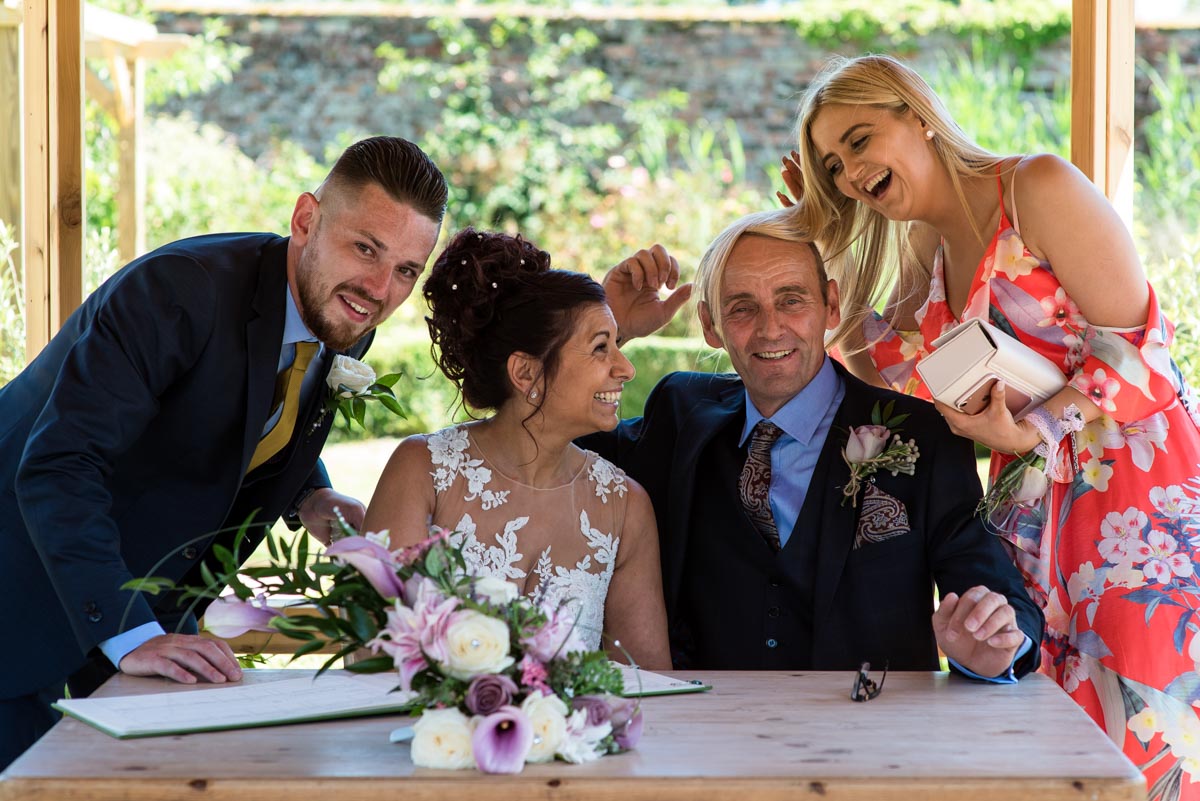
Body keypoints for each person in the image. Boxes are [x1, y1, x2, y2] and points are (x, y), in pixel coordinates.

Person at [782, 53, 1200, 793]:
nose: (848, 173)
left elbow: (1141, 349)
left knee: (1150, 730)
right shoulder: (923, 247)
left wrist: (1036, 431)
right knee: (1060, 731)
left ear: (915, 113)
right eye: (831, 168)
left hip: (1132, 486)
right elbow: (875, 366)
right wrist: (823, 232)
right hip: (1030, 507)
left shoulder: (1035, 185)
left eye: (857, 141)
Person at [0, 136, 448, 769]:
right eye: (365, 248)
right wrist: (129, 633)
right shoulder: (182, 292)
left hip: (152, 601)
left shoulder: (342, 315)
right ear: (305, 221)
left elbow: (245, 413)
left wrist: (310, 496)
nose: (380, 288)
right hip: (19, 581)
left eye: (406, 270)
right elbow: (58, 465)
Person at [584, 207, 1043, 680]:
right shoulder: (680, 415)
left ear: (831, 305)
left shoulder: (922, 435)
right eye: (742, 307)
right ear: (710, 324)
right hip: (712, 737)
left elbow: (991, 586)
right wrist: (609, 324)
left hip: (872, 736)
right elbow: (555, 445)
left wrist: (996, 645)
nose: (769, 328)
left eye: (791, 300)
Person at [362, 228, 671, 670]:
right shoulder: (422, 472)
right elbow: (372, 657)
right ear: (526, 373)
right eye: (602, 348)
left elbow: (650, 686)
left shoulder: (625, 507)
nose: (626, 368)